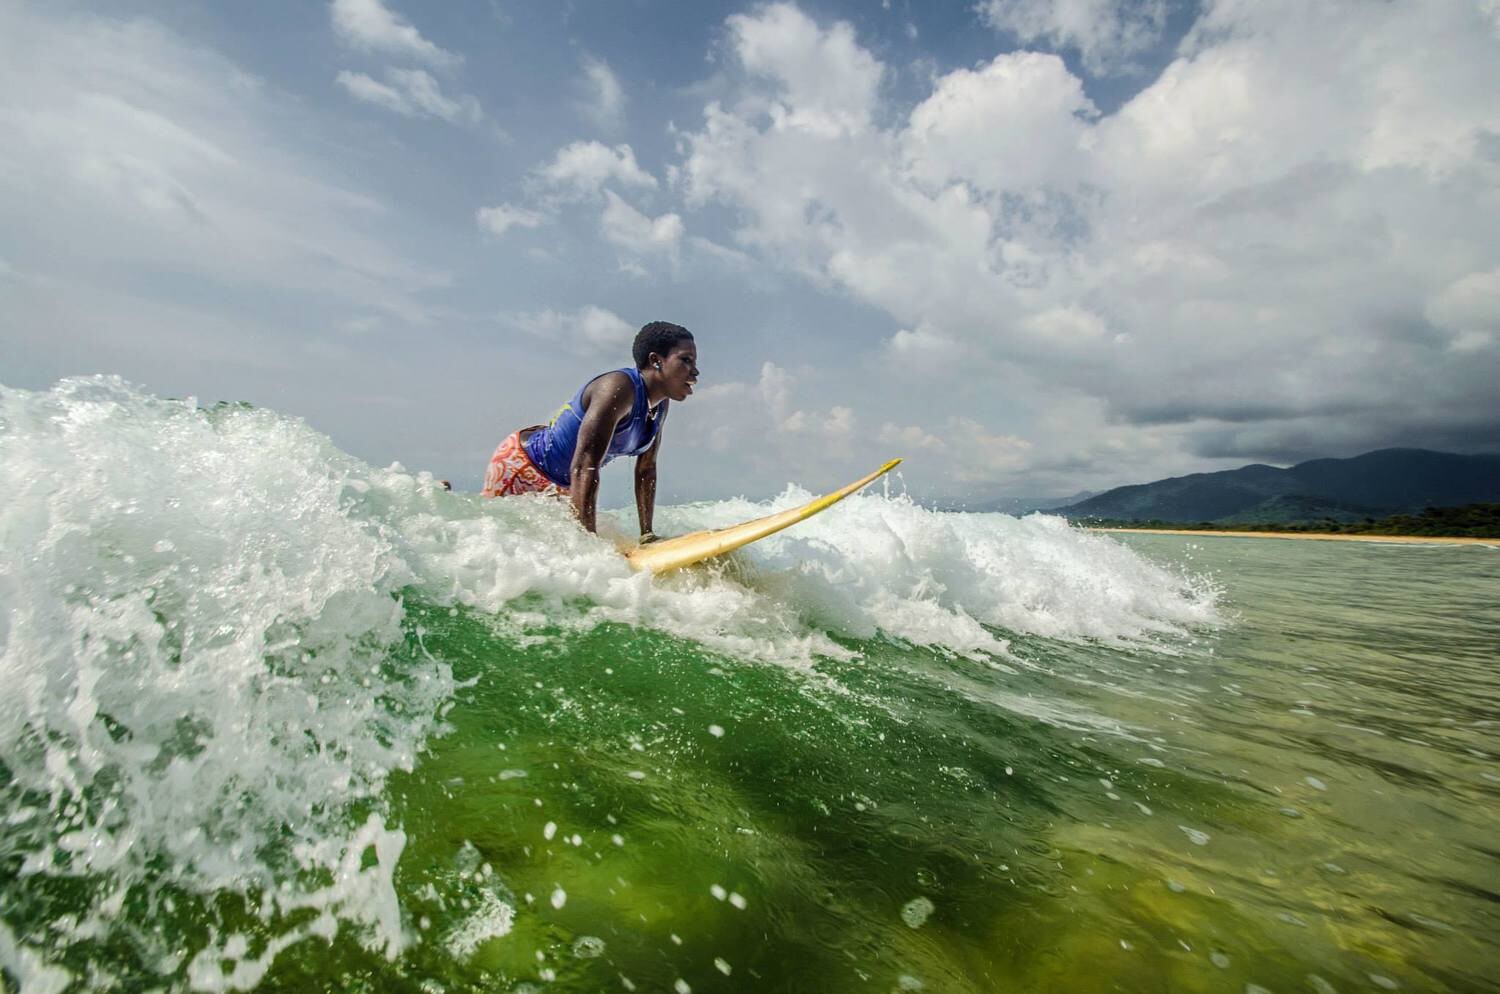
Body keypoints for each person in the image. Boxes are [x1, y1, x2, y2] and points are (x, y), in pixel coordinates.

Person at [482, 321, 698, 539]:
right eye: (686, 361)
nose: (695, 371)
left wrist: (647, 535)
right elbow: (585, 466)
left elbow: (646, 469)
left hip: (564, 486)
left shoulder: (659, 405)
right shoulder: (618, 388)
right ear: (656, 360)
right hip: (521, 467)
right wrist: (588, 545)